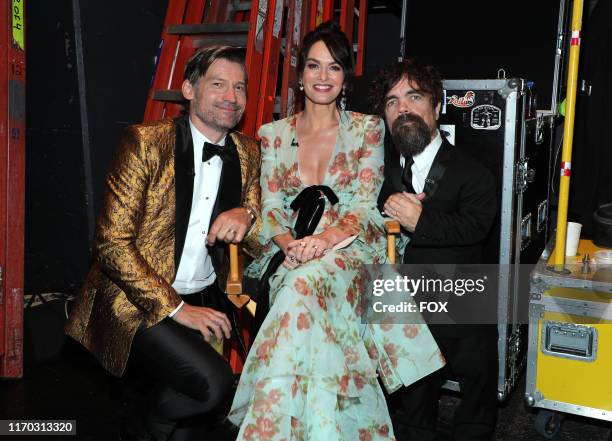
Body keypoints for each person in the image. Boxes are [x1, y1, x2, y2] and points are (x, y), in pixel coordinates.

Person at [228, 22, 444, 441]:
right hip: (291, 251)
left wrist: (321, 243)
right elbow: (271, 207)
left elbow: (364, 207)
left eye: (334, 67)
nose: (323, 77)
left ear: (345, 77)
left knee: (302, 286)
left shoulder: (367, 129)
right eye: (313, 66)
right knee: (303, 290)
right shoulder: (273, 135)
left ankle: (266, 430)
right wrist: (292, 247)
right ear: (301, 74)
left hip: (352, 250)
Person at [64, 46, 261, 441]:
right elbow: (111, 243)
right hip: (134, 298)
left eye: (239, 87)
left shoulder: (249, 152)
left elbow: (256, 222)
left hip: (204, 296)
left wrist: (249, 215)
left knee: (190, 424)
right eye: (218, 84)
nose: (231, 97)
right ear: (188, 88)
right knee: (214, 386)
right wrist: (176, 309)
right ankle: (141, 424)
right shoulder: (145, 143)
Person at [371, 59, 498, 441]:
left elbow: (476, 227)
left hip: (458, 298)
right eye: (392, 102)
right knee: (410, 409)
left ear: (437, 106)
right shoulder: (378, 166)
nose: (402, 108)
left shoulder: (474, 171)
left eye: (414, 96)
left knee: (477, 379)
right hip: (401, 303)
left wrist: (419, 220)